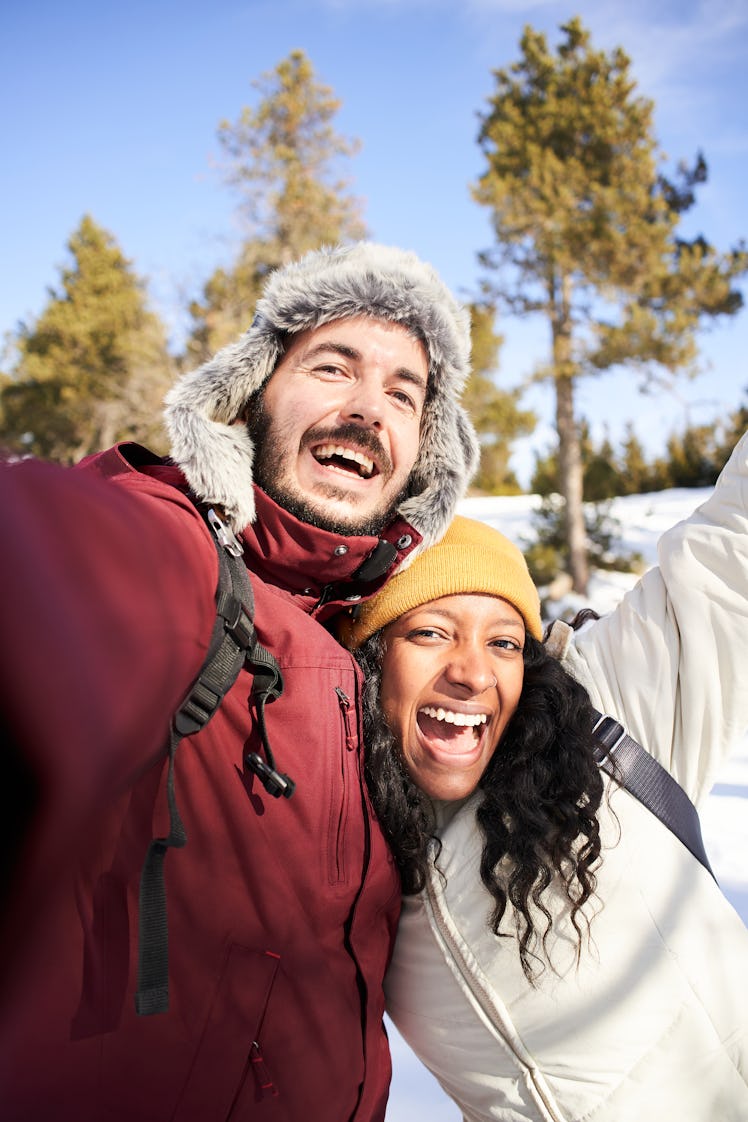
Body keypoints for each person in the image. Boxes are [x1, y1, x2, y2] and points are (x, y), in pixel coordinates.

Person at [0, 242, 480, 1122]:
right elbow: (57, 563)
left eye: (404, 394)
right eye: (332, 367)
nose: (367, 409)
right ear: (252, 392)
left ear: (425, 452)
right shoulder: (176, 552)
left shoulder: (373, 649)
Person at [341, 478, 748, 1122]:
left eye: (503, 642)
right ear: (371, 656)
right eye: (431, 633)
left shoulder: (604, 709)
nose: (473, 673)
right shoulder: (340, 833)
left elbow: (732, 550)